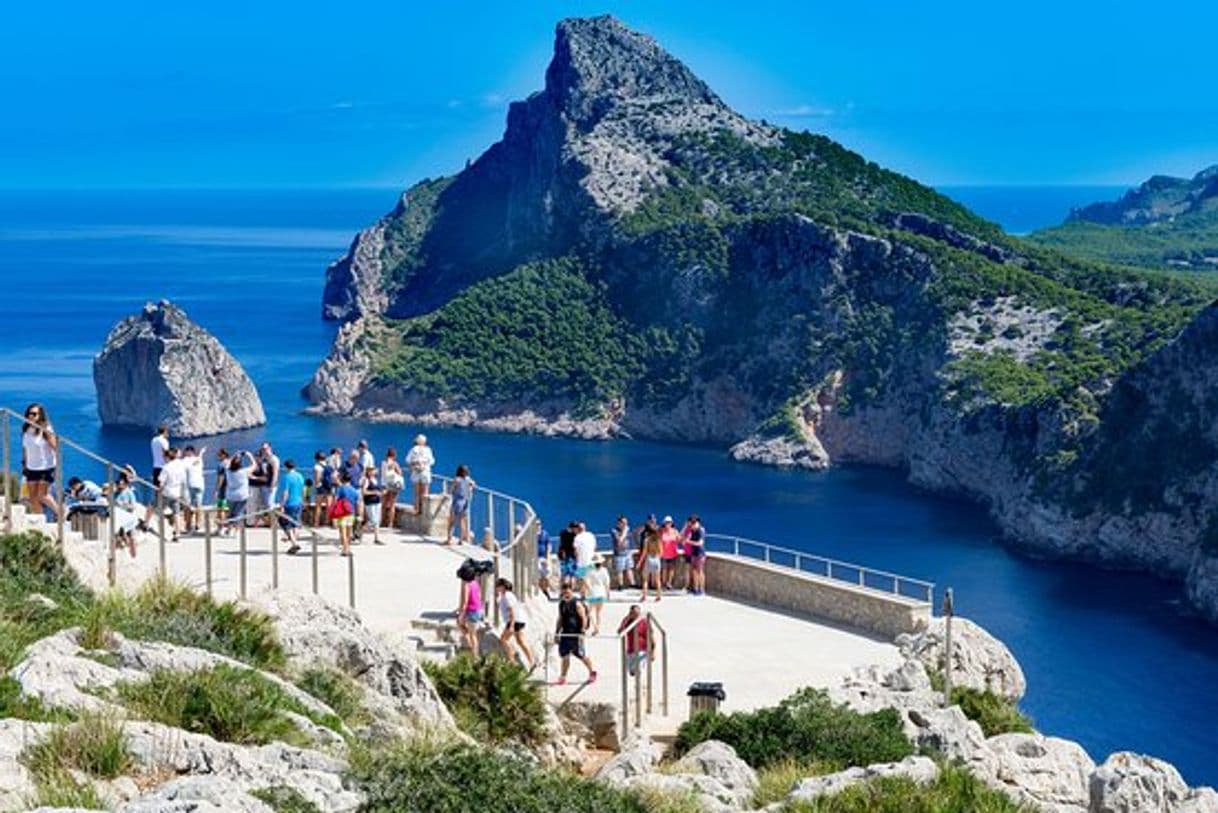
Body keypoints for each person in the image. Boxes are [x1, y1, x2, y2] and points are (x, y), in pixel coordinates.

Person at [20, 403, 59, 520]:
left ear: (40, 415)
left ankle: (61, 513)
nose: (31, 416)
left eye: (34, 414)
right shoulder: (27, 429)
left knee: (42, 495)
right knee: (33, 497)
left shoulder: (46, 428)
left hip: (45, 467)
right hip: (31, 467)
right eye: (29, 413)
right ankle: (40, 520)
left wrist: (48, 434)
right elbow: (26, 448)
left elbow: (55, 447)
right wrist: (25, 465)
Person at [554, 581, 596, 685]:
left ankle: (592, 672)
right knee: (565, 656)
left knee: (580, 654)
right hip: (565, 633)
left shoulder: (577, 603)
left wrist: (582, 631)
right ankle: (563, 677)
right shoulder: (562, 603)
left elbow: (583, 617)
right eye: (564, 592)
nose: (565, 594)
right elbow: (560, 618)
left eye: (567, 591)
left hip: (576, 633)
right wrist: (557, 632)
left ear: (571, 591)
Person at [495, 578, 536, 671]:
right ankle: (532, 661)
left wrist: (512, 625)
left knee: (503, 639)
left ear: (503, 586)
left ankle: (512, 660)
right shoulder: (506, 595)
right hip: (518, 620)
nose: (496, 588)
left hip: (514, 620)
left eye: (498, 586)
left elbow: (511, 610)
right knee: (521, 641)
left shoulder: (507, 596)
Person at [158, 448, 190, 541]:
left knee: (152, 506)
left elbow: (161, 482)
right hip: (177, 493)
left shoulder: (166, 467)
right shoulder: (180, 465)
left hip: (167, 493)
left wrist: (159, 490)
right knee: (176, 513)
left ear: (168, 457)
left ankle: (146, 524)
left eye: (164, 457)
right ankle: (177, 533)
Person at [223, 451, 256, 533]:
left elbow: (228, 462)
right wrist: (250, 455)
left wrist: (235, 454)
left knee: (231, 513)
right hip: (242, 495)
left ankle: (230, 528)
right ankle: (236, 529)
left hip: (230, 495)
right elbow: (254, 465)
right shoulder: (244, 472)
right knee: (239, 512)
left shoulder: (228, 471)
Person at [277, 459, 306, 554]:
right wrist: (303, 500)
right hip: (298, 502)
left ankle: (294, 543)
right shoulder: (300, 476)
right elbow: (303, 489)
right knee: (296, 522)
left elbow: (285, 492)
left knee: (285, 522)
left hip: (290, 503)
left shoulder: (286, 477)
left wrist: (282, 505)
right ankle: (294, 540)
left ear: (286, 467)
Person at [456, 562, 484, 656]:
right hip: (477, 609)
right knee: (470, 632)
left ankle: (474, 655)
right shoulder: (475, 582)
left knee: (472, 635)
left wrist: (461, 615)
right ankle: (472, 650)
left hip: (471, 611)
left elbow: (464, 602)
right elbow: (477, 596)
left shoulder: (466, 585)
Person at [111, 473, 142, 557]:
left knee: (132, 536)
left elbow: (133, 506)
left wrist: (123, 505)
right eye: (118, 484)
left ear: (125, 484)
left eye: (121, 484)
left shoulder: (129, 493)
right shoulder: (116, 493)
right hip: (119, 517)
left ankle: (133, 555)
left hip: (128, 517)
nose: (119, 486)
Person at [618, 605, 653, 676]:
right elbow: (620, 632)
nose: (636, 615)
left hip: (642, 649)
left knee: (638, 669)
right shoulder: (627, 621)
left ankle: (639, 684)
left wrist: (653, 651)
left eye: (637, 613)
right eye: (633, 613)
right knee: (631, 671)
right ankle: (637, 680)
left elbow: (651, 636)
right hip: (631, 650)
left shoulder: (644, 622)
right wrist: (627, 618)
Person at [331, 471, 360, 556]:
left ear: (342, 479)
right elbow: (357, 503)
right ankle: (348, 549)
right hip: (351, 512)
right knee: (349, 533)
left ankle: (345, 550)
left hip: (342, 513)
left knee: (343, 532)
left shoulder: (341, 489)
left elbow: (335, 499)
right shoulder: (354, 490)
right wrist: (358, 514)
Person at [404, 434, 434, 516]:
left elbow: (407, 460)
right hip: (425, 472)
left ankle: (417, 509)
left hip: (416, 472)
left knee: (417, 493)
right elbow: (432, 461)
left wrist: (414, 463)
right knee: (425, 492)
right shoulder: (428, 450)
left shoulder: (413, 449)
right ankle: (425, 510)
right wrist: (425, 463)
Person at [446, 464, 475, 544]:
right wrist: (470, 490)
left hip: (457, 502)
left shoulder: (457, 480)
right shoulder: (468, 479)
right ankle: (461, 540)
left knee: (452, 521)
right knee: (462, 521)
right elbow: (473, 484)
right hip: (466, 502)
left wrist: (449, 494)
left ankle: (449, 539)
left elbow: (451, 490)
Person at [584, 553, 610, 635]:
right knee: (598, 613)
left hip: (593, 592)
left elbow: (586, 582)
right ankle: (598, 627)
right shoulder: (604, 570)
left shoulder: (589, 570)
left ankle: (595, 627)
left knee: (590, 612)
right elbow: (607, 583)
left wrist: (588, 590)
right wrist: (608, 593)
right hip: (601, 592)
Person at [637, 518, 663, 602]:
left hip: (649, 559)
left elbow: (644, 553)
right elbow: (661, 552)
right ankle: (658, 596)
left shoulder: (647, 540)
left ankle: (644, 596)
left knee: (645, 580)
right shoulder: (659, 540)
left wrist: (639, 563)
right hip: (657, 559)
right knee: (657, 579)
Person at [183, 445, 206, 533]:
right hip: (200, 484)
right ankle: (198, 524)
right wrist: (201, 453)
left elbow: (184, 469)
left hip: (189, 485)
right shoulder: (199, 459)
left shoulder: (185, 461)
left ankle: (188, 525)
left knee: (188, 506)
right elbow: (197, 461)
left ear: (187, 452)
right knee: (198, 506)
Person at [380, 447, 404, 529]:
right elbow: (400, 473)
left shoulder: (383, 463)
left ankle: (382, 522)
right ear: (394, 455)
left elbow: (382, 474)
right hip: (393, 485)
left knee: (384, 504)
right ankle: (390, 523)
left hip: (384, 485)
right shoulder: (394, 464)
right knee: (392, 504)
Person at [360, 466, 385, 545]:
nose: (373, 472)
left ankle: (376, 538)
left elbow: (378, 490)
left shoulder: (375, 480)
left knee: (377, 521)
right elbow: (364, 492)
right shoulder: (366, 480)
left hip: (377, 502)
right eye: (371, 471)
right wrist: (374, 492)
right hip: (370, 502)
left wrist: (381, 493)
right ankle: (360, 530)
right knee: (372, 520)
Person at [684, 514, 707, 595]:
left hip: (700, 554)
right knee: (694, 571)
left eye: (694, 522)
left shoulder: (701, 530)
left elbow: (700, 543)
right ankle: (695, 588)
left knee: (700, 571)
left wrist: (689, 542)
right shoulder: (692, 530)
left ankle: (702, 589)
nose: (692, 524)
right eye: (691, 522)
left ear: (698, 522)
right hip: (694, 553)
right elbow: (686, 537)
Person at [257, 443, 280, 525]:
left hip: (270, 485)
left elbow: (275, 473)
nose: (264, 450)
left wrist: (272, 485)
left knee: (270, 504)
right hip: (264, 484)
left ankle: (274, 522)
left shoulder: (274, 459)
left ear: (270, 448)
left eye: (266, 448)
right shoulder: (264, 459)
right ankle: (269, 522)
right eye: (263, 449)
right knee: (265, 504)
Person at [659, 515, 682, 591]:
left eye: (669, 522)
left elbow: (680, 540)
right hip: (663, 554)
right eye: (666, 522)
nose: (668, 524)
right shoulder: (661, 531)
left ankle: (669, 583)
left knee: (671, 569)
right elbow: (658, 541)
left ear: (672, 523)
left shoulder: (675, 531)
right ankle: (663, 583)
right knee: (664, 569)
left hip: (673, 553)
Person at [610, 515, 634, 589]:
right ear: (619, 523)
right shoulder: (614, 531)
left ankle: (632, 584)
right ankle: (620, 585)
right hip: (619, 554)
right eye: (623, 523)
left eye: (626, 523)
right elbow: (619, 541)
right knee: (619, 570)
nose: (625, 524)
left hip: (627, 552)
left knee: (629, 568)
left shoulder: (626, 530)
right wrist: (625, 531)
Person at [573, 521, 597, 593]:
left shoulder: (577, 538)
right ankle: (586, 593)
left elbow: (576, 550)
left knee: (582, 579)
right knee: (589, 578)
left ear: (578, 529)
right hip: (591, 561)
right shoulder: (591, 535)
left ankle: (585, 593)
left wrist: (576, 560)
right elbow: (595, 547)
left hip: (581, 562)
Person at [311, 451, 331, 527]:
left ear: (316, 458)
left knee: (318, 506)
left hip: (320, 488)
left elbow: (317, 478)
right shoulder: (327, 465)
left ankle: (316, 523)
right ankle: (327, 522)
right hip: (328, 487)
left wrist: (316, 486)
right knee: (328, 505)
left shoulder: (317, 466)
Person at [213, 449, 230, 524]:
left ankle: (222, 525)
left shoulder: (221, 465)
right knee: (228, 508)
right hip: (231, 488)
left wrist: (217, 490)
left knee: (221, 508)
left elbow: (220, 478)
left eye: (219, 455)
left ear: (224, 455)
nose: (218, 457)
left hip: (223, 489)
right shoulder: (230, 463)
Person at [536, 526, 554, 597]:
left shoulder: (545, 534)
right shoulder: (532, 534)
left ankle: (545, 589)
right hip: (536, 557)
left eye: (539, 524)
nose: (538, 526)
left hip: (544, 557)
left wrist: (548, 556)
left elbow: (548, 545)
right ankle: (542, 590)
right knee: (539, 574)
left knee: (546, 574)